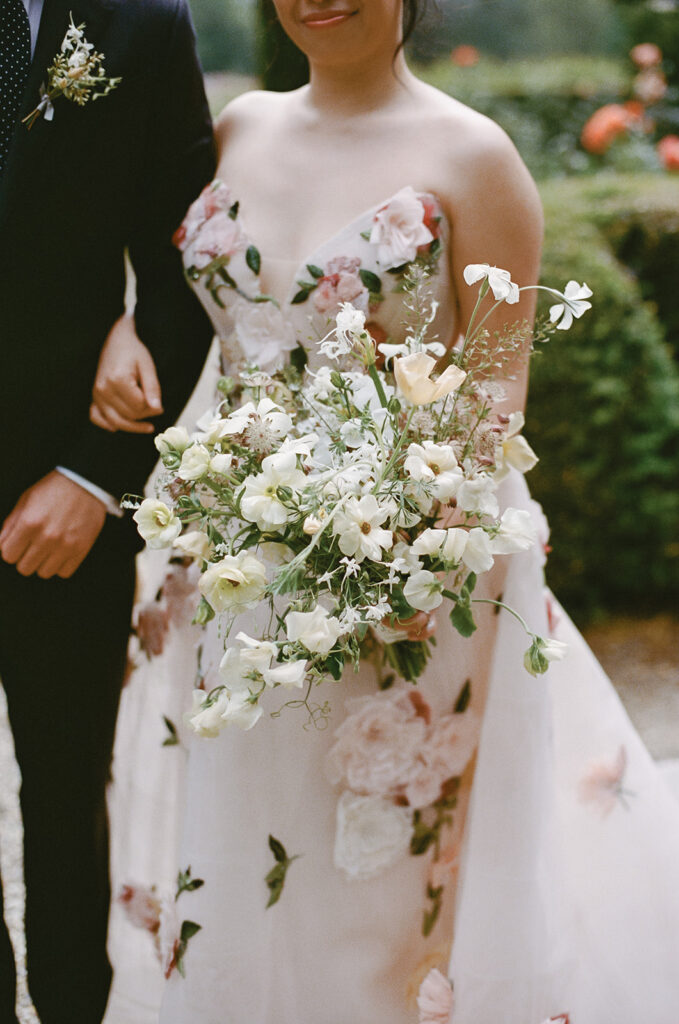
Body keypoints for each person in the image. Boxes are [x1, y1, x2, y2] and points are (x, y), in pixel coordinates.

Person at [93, 2, 679, 1022]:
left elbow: (497, 391)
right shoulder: (237, 129)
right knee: (250, 838)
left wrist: (387, 517)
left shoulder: (475, 155)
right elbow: (148, 275)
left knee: (377, 860)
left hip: (404, 570)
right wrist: (118, 332)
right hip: (234, 563)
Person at [0, 1, 215, 1022]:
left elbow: (185, 267)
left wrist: (93, 475)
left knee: (65, 794)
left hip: (65, 500)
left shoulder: (141, 22)